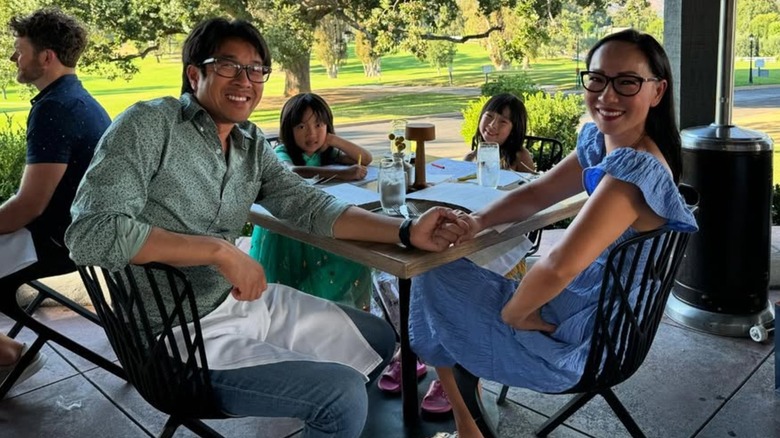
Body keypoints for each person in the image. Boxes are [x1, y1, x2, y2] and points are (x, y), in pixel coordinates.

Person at [65, 18, 467, 438]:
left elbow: (309, 205)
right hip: (173, 336)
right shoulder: (149, 126)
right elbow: (91, 234)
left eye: (256, 69)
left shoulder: (250, 142)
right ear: (194, 74)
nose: (245, 80)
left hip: (241, 304)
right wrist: (218, 250)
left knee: (378, 339)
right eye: (228, 66)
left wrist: (406, 230)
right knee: (341, 396)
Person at [409, 29, 698, 438]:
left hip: (584, 339)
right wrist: (477, 222)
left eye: (627, 82)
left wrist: (516, 314)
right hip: (589, 310)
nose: (607, 95)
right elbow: (538, 192)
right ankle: (464, 416)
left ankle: (465, 418)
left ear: (657, 91)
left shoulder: (633, 172)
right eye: (597, 79)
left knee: (429, 274)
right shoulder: (605, 143)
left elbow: (560, 265)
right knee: (435, 275)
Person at [0, 8, 110, 387]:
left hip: (55, 243)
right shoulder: (77, 99)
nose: (14, 58)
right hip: (73, 235)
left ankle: (12, 355)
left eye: (20, 50)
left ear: (46, 57)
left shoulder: (54, 109)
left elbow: (28, 206)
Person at [249, 92, 373, 309]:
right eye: (301, 126)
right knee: (295, 282)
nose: (312, 133)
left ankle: (336, 313)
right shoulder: (282, 151)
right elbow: (292, 171)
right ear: (289, 130)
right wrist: (343, 173)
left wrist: (332, 139)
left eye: (318, 125)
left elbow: (366, 158)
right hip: (290, 227)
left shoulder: (327, 153)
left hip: (323, 220)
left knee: (355, 258)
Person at [463, 93, 535, 173]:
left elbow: (532, 181)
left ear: (513, 130)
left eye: (503, 121)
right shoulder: (470, 158)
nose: (492, 125)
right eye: (489, 116)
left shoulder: (520, 157)